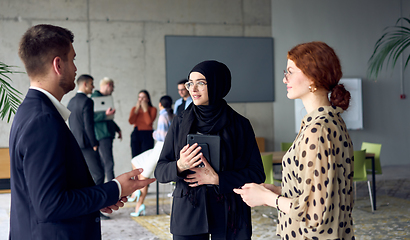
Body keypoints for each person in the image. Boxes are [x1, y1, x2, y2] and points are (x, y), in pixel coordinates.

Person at [9, 24, 155, 239]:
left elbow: (50, 191)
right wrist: (114, 189)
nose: (76, 68)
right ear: (58, 64)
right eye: (73, 59)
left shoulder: (30, 110)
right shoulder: (43, 119)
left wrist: (100, 199)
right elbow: (50, 205)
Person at [234, 41, 355, 239]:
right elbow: (322, 192)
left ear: (313, 77)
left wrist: (267, 197)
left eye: (290, 71)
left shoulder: (317, 130)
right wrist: (280, 191)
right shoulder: (331, 121)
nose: (285, 79)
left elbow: (314, 213)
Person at [154, 60, 265, 240]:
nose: (193, 89)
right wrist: (180, 165)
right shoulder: (180, 122)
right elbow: (160, 171)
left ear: (217, 84)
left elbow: (257, 174)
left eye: (201, 83)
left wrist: (218, 179)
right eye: (190, 83)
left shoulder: (239, 124)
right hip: (188, 213)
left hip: (230, 214)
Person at [129, 95, 174, 217]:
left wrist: (154, 134)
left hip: (160, 148)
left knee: (143, 177)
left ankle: (138, 205)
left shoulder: (163, 115)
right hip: (158, 147)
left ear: (160, 104)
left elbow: (162, 135)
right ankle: (137, 192)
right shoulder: (171, 114)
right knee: (136, 160)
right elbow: (131, 120)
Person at [68, 74, 104, 186]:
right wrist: (94, 143)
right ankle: (97, 202)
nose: (93, 87)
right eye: (91, 84)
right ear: (85, 84)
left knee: (83, 175)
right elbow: (88, 125)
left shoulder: (71, 102)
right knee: (99, 174)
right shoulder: (87, 101)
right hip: (86, 144)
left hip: (74, 143)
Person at [92, 77, 122, 181]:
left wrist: (117, 129)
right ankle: (111, 189)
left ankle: (104, 188)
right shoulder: (95, 99)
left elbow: (109, 119)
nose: (113, 90)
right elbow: (91, 117)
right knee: (108, 163)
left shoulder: (106, 99)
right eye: (112, 86)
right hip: (102, 135)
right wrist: (105, 114)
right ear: (108, 85)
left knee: (105, 162)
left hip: (107, 134)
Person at [128, 90, 157, 158]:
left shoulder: (153, 109)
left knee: (146, 156)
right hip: (136, 133)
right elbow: (131, 121)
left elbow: (148, 122)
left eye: (143, 97)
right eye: (139, 97)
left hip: (147, 133)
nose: (141, 100)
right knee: (135, 156)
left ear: (148, 99)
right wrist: (137, 109)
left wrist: (145, 110)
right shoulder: (134, 109)